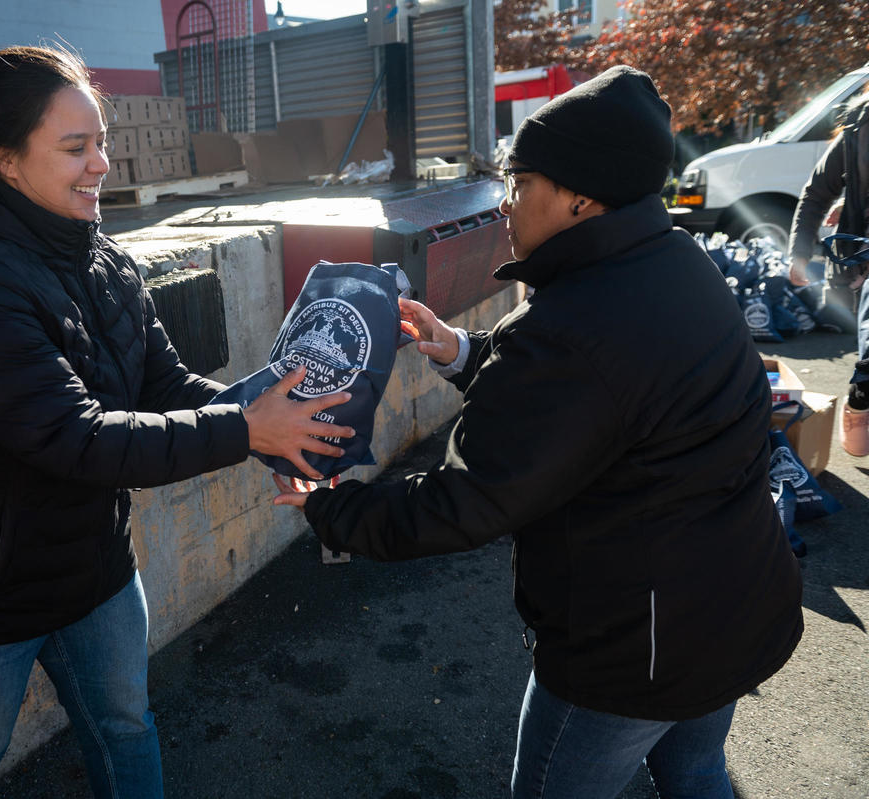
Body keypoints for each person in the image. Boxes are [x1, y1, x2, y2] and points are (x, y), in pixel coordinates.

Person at [275, 66, 803, 798]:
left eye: (519, 182)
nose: (504, 203)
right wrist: (463, 352)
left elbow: (467, 499)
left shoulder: (567, 329)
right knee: (696, 773)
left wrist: (330, 508)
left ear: (579, 197)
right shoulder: (674, 260)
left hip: (634, 652)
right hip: (737, 603)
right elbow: (607, 396)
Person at [0, 45, 354, 799]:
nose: (102, 163)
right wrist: (247, 430)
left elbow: (162, 385)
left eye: (101, 141)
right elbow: (78, 437)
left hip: (92, 567)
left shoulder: (102, 257)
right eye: (76, 148)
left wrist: (277, 417)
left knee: (126, 726)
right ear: (3, 161)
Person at [787, 86, 869, 456]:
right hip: (862, 266)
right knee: (858, 441)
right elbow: (818, 192)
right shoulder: (859, 127)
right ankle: (861, 396)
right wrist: (800, 254)